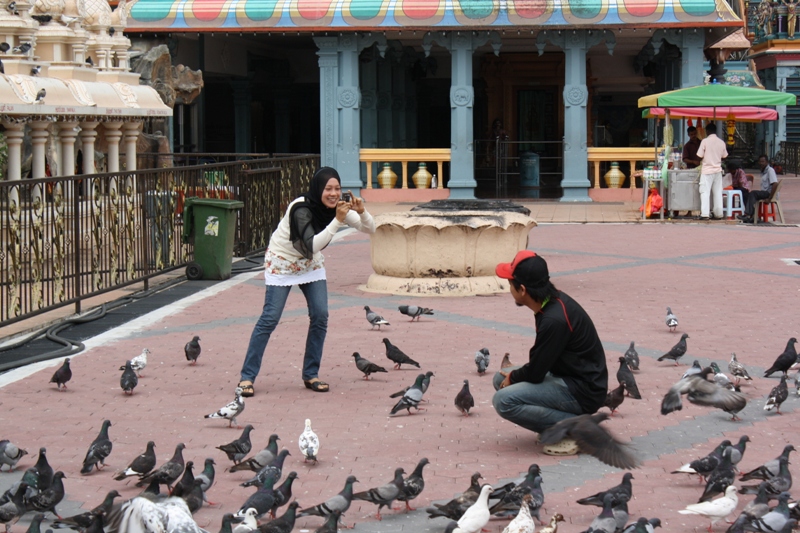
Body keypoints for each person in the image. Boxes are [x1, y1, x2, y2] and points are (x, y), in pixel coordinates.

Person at [237, 167, 376, 396]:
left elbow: (370, 228)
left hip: (310, 265)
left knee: (320, 315)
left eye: (337, 188)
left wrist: (362, 212)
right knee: (270, 318)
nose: (333, 193)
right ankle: (246, 378)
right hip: (283, 262)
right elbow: (312, 244)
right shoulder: (300, 208)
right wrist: (337, 221)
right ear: (318, 188)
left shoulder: (336, 208)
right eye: (328, 189)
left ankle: (311, 374)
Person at [492, 251, 608, 456]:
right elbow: (540, 363)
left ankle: (574, 430)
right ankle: (557, 426)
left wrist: (515, 376)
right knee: (499, 378)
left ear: (522, 289)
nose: (509, 288)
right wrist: (513, 376)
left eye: (510, 284)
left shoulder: (555, 320)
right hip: (567, 376)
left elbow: (536, 372)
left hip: (582, 390)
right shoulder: (550, 303)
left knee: (504, 401)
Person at [695, 123, 728, 220]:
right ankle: (718, 214)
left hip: (707, 171)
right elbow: (725, 156)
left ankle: (705, 214)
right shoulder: (721, 142)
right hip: (718, 171)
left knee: (705, 192)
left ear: (707, 131)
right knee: (717, 192)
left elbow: (699, 156)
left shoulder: (704, 141)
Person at [739, 155, 779, 224]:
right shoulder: (763, 171)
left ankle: (748, 215)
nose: (761, 163)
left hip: (769, 193)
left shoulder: (770, 170)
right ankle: (753, 216)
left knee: (753, 193)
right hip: (765, 192)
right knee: (749, 194)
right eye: (760, 162)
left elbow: (775, 184)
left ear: (767, 162)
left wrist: (770, 198)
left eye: (763, 161)